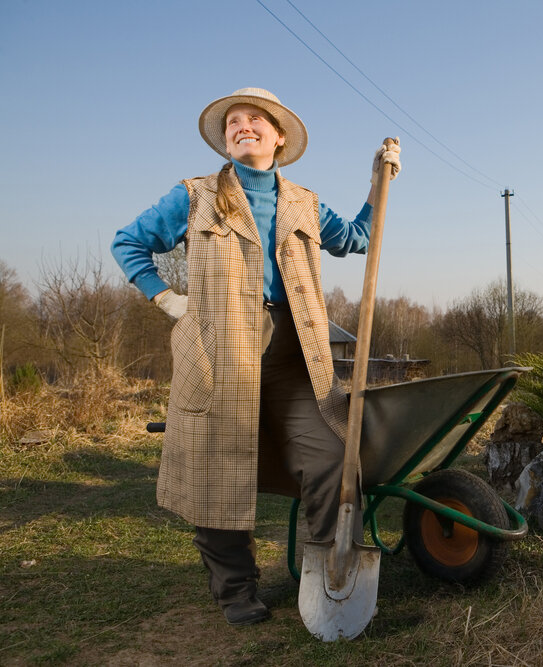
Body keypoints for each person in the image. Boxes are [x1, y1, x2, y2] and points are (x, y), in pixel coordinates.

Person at [111, 87, 400, 626]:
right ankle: (236, 590)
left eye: (255, 119)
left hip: (297, 357)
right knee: (216, 474)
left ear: (279, 136)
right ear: (226, 139)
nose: (243, 126)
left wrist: (376, 182)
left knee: (331, 459)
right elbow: (128, 242)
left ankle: (326, 573)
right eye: (233, 122)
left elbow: (359, 238)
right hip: (219, 355)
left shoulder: (304, 203)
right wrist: (166, 297)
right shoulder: (195, 196)